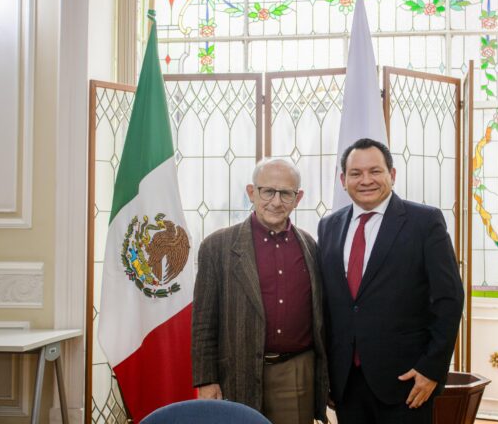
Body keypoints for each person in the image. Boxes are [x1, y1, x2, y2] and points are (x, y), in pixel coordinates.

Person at [317, 138, 464, 424]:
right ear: (343, 180)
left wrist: (432, 368)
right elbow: (329, 304)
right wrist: (326, 375)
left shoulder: (425, 222)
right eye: (356, 173)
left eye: (375, 171)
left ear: (392, 174)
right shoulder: (329, 226)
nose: (366, 180)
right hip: (346, 383)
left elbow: (449, 300)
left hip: (407, 381)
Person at [192, 158, 328, 424]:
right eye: (268, 191)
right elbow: (203, 324)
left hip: (295, 374)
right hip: (236, 373)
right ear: (251, 192)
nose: (276, 202)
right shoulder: (216, 247)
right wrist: (206, 380)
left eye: (285, 193)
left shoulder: (310, 246)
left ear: (298, 198)